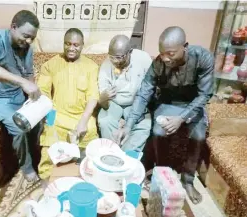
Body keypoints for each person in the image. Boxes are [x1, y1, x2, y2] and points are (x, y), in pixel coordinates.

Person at [116, 26, 214, 204]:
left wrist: (182, 118)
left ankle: (188, 181)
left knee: (199, 136)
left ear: (185, 46)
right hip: (167, 104)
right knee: (159, 133)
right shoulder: (159, 63)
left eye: (171, 53)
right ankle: (162, 175)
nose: (166, 59)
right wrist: (129, 125)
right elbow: (144, 93)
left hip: (193, 105)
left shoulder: (203, 57)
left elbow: (204, 95)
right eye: (162, 53)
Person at [0, 10, 42, 181]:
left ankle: (37, 158)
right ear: (13, 27)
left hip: (17, 96)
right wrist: (21, 82)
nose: (28, 41)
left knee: (39, 119)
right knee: (18, 127)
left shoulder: (27, 47)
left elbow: (28, 75)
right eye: (26, 36)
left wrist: (32, 91)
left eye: (32, 38)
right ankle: (26, 168)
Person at [37, 28, 99, 179]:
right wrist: (48, 114)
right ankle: (46, 177)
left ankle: (85, 176)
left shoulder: (92, 67)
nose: (71, 48)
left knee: (91, 135)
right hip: (56, 112)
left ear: (82, 45)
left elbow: (93, 96)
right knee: (48, 131)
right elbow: (43, 92)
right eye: (68, 44)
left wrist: (83, 121)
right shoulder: (50, 65)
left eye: (76, 45)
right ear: (63, 44)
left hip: (82, 115)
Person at [98, 35, 152, 152]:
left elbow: (151, 86)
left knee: (144, 125)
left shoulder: (143, 59)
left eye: (119, 57)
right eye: (112, 58)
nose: (116, 62)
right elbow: (104, 105)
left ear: (130, 52)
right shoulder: (106, 65)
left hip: (136, 102)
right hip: (114, 103)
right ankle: (112, 153)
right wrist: (103, 98)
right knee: (105, 121)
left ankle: (126, 156)